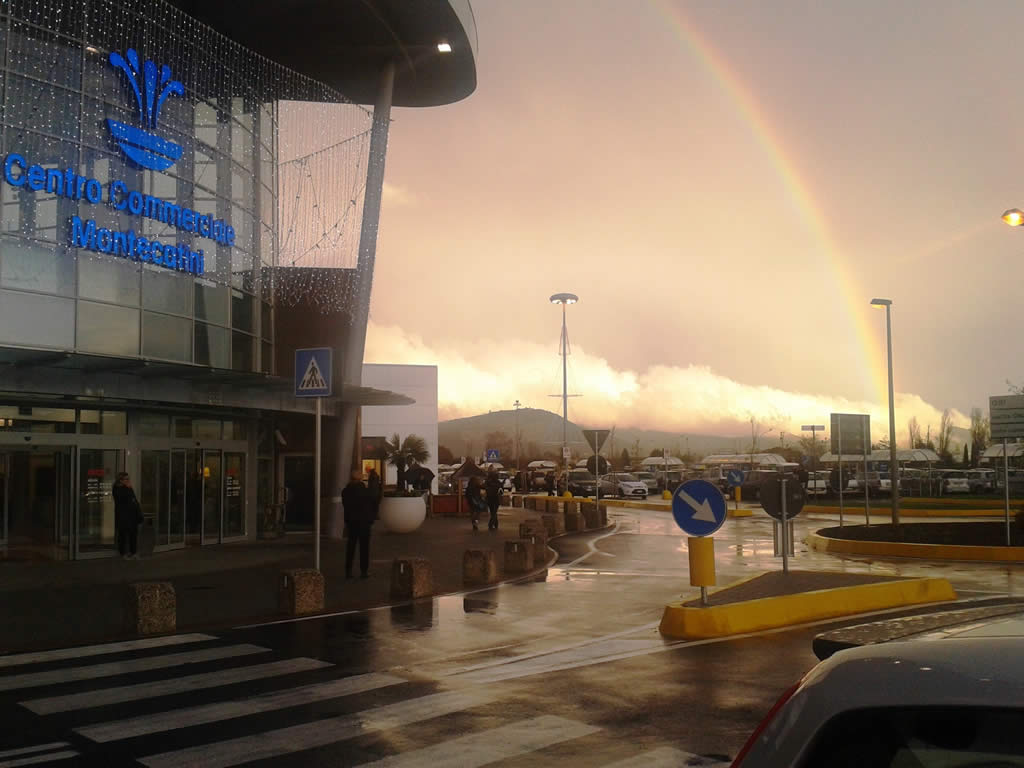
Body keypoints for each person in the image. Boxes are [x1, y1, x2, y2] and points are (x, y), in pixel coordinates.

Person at [342, 469, 375, 578]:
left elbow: (346, 507)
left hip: (352, 522)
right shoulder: (365, 490)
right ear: (360, 478)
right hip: (364, 522)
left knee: (351, 546)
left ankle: (348, 571)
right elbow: (371, 504)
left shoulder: (346, 491)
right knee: (364, 548)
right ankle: (364, 571)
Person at [113, 471, 142, 559]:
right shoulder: (117, 489)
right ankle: (123, 553)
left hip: (132, 515)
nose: (128, 480)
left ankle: (133, 552)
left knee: (133, 534)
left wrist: (138, 513)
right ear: (120, 480)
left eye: (128, 479)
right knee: (123, 535)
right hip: (123, 516)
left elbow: (134, 500)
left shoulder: (128, 488)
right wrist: (128, 488)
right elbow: (123, 500)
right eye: (126, 479)